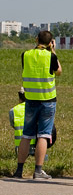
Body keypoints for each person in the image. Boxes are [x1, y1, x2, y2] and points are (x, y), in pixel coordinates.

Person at [14, 30, 62, 179]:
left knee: (26, 135)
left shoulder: (26, 55)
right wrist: (53, 51)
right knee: (43, 135)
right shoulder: (51, 56)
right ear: (50, 42)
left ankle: (19, 171)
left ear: (36, 40)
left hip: (30, 99)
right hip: (47, 100)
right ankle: (38, 170)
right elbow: (59, 71)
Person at [10, 88, 36, 157]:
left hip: (19, 147)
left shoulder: (13, 110)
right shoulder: (34, 109)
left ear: (19, 98)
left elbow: (13, 125)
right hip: (33, 146)